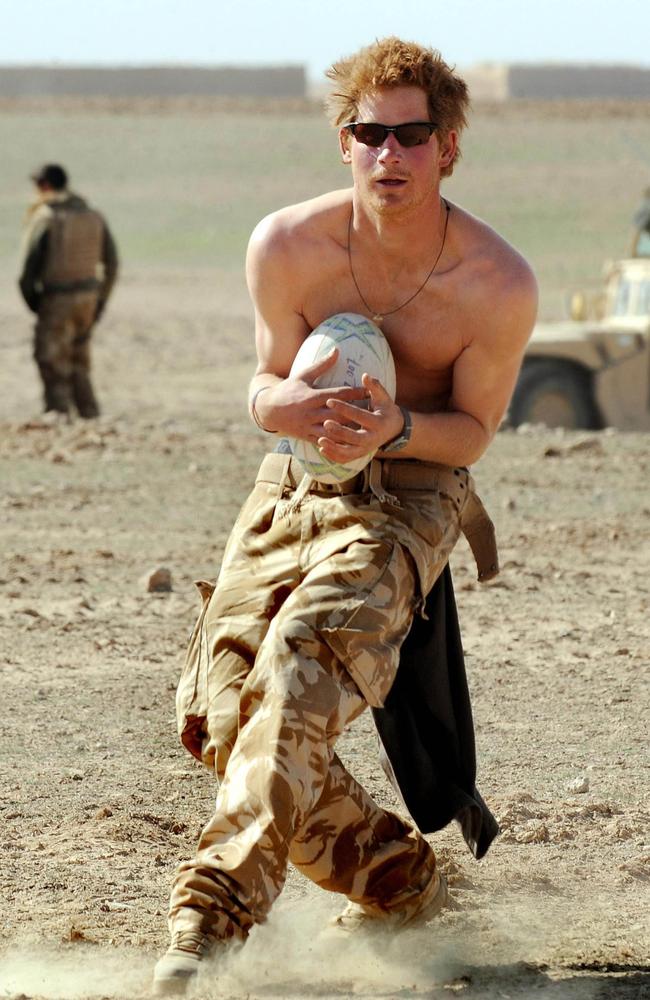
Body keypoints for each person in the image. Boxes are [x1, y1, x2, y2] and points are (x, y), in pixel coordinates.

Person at [153, 36, 537, 995]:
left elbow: (473, 433)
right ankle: (401, 884)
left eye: (413, 136)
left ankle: (208, 917)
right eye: (371, 133)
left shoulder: (496, 282)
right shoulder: (287, 246)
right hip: (293, 481)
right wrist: (269, 405)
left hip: (413, 489)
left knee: (301, 666)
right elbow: (263, 381)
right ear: (344, 142)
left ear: (449, 148)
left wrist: (399, 421)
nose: (390, 155)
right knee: (222, 720)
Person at [18, 163, 118, 418]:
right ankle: (89, 415)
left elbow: (28, 268)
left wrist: (36, 302)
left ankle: (60, 416)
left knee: (51, 361)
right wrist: (100, 301)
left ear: (44, 186)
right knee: (79, 362)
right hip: (88, 297)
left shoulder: (47, 217)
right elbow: (112, 262)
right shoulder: (92, 215)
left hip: (57, 297)